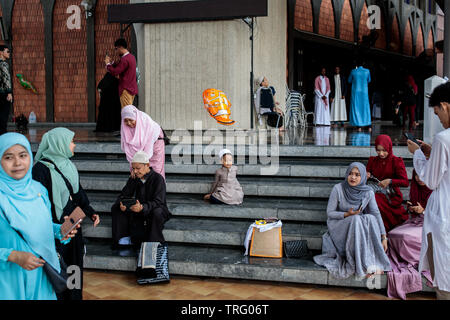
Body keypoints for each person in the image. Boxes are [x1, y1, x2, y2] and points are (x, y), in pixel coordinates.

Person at [0, 133, 78, 300]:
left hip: (41, 275)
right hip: (7, 278)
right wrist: (13, 255)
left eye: (23, 155)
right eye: (8, 157)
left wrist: (60, 231)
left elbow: (41, 225)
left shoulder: (38, 190)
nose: (17, 163)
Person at [32, 128, 100, 300]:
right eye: (71, 141)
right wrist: (55, 225)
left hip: (74, 226)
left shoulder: (68, 165)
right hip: (55, 232)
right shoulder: (40, 169)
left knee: (75, 265)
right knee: (59, 268)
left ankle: (74, 297)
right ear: (59, 143)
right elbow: (38, 204)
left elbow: (78, 193)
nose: (74, 144)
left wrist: (90, 212)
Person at [407, 82, 450, 300]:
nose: (439, 119)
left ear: (445, 106)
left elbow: (430, 181)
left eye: (437, 113)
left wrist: (417, 154)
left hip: (443, 213)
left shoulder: (444, 138)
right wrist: (432, 153)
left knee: (443, 277)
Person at [313, 162, 391, 279]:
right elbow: (330, 213)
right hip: (338, 226)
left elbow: (376, 213)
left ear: (363, 176)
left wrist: (383, 237)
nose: (353, 177)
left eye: (357, 174)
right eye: (350, 174)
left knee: (369, 218)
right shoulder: (338, 188)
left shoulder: (367, 192)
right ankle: (362, 266)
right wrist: (346, 214)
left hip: (356, 227)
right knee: (355, 219)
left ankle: (368, 264)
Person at [386, 170, 433, 300]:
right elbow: (415, 214)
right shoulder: (416, 188)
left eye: (423, 174)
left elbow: (442, 216)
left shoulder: (437, 190)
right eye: (416, 175)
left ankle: (414, 260)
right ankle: (403, 259)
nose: (419, 178)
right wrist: (412, 209)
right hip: (416, 222)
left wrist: (423, 211)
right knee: (392, 234)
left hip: (431, 226)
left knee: (405, 237)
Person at [111, 151, 171, 248]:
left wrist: (143, 207)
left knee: (157, 212)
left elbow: (159, 201)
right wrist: (123, 204)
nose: (135, 171)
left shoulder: (158, 179)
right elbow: (124, 195)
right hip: (137, 208)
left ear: (147, 165)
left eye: (138, 168)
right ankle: (122, 239)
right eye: (133, 168)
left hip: (152, 208)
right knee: (116, 207)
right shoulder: (134, 178)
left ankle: (154, 243)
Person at [366, 134, 409, 232]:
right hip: (375, 191)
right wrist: (366, 176)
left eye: (384, 150)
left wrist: (390, 181)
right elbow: (364, 177)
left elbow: (405, 182)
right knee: (370, 198)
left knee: (374, 200)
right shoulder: (372, 160)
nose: (381, 153)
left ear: (389, 148)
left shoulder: (396, 161)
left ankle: (380, 232)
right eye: (378, 150)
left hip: (391, 195)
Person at [121, 105, 166, 179]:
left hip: (155, 143)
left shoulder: (146, 123)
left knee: (156, 170)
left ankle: (158, 189)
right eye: (125, 121)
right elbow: (129, 150)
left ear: (136, 117)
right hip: (142, 150)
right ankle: (143, 190)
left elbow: (148, 147)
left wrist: (139, 165)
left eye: (131, 120)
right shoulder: (125, 129)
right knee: (138, 172)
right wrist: (134, 167)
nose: (129, 123)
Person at [105, 38, 138, 108]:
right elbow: (121, 67)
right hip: (132, 89)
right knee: (129, 112)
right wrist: (112, 63)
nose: (116, 51)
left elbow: (115, 72)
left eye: (116, 49)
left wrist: (108, 64)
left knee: (126, 113)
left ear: (120, 47)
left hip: (125, 90)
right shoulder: (132, 57)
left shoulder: (124, 59)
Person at [348, 59, 371, 131]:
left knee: (356, 108)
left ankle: (359, 126)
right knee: (365, 108)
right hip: (364, 92)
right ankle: (368, 124)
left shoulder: (353, 71)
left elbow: (349, 80)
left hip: (356, 92)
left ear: (356, 65)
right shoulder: (367, 71)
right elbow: (369, 80)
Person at [0, 45, 12, 135]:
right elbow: (6, 78)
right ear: (1, 52)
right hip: (3, 94)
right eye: (7, 51)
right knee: (4, 116)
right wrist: (9, 92)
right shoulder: (3, 64)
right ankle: (3, 135)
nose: (9, 53)